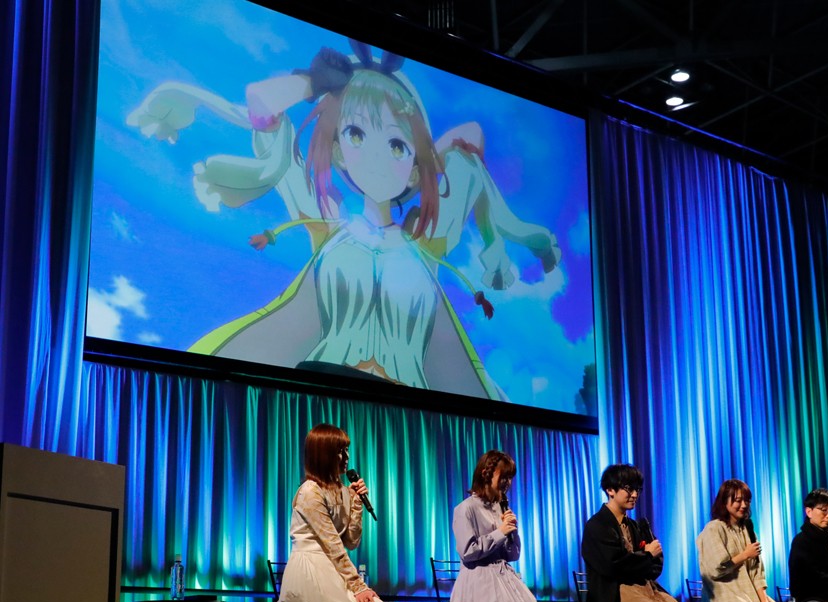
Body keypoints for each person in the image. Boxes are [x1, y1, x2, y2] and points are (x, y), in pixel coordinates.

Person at [127, 40, 562, 398]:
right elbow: (262, 104)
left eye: (396, 145)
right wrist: (313, 82)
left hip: (409, 414)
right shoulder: (327, 222)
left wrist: (438, 158)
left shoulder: (425, 245)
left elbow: (471, 138)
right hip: (320, 402)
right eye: (356, 133)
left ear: (414, 168)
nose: (375, 156)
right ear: (336, 149)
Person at [274, 424, 402, 602]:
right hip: (311, 572)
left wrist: (356, 503)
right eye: (340, 451)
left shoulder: (342, 491)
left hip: (332, 571)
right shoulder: (310, 492)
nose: (346, 457)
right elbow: (332, 544)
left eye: (346, 450)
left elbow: (351, 541)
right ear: (323, 455)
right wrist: (358, 586)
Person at [449, 450, 556, 602]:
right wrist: (500, 532)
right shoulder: (465, 509)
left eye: (510, 478)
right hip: (480, 582)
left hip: (505, 580)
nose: (508, 483)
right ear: (486, 475)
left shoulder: (501, 508)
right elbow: (468, 552)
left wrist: (512, 532)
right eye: (503, 476)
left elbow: (513, 555)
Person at [580, 463, 703, 602]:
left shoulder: (634, 525)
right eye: (628, 489)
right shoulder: (597, 525)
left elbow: (656, 567)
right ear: (610, 490)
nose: (635, 495)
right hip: (619, 596)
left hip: (648, 591)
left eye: (637, 489)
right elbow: (613, 566)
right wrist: (646, 555)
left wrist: (643, 558)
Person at [697, 479, 807, 602]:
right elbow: (715, 569)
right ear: (724, 501)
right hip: (727, 595)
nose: (743, 505)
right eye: (737, 500)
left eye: (746, 500)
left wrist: (764, 601)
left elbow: (757, 571)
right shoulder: (714, 528)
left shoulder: (748, 529)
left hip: (751, 594)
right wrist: (744, 555)